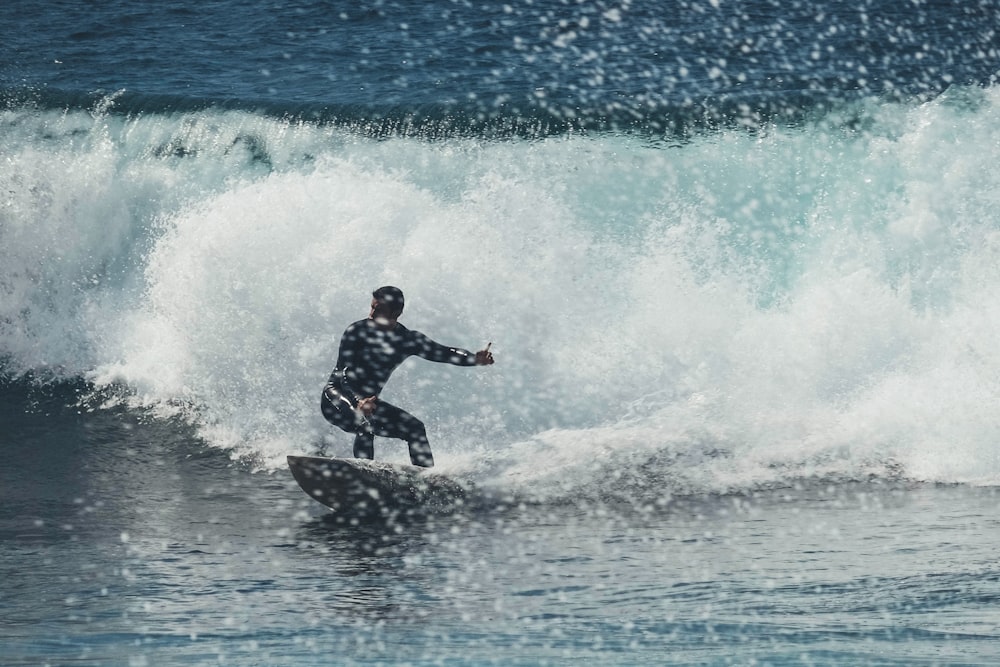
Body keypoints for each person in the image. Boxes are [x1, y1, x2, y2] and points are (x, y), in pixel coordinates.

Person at [320, 286, 494, 467]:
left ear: (397, 312)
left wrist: (474, 359)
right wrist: (359, 400)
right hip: (337, 397)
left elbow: (444, 353)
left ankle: (427, 481)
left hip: (369, 403)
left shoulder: (407, 340)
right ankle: (364, 475)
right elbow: (345, 374)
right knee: (365, 423)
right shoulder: (356, 332)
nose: (372, 313)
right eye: (372, 307)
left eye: (379, 310)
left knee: (415, 428)